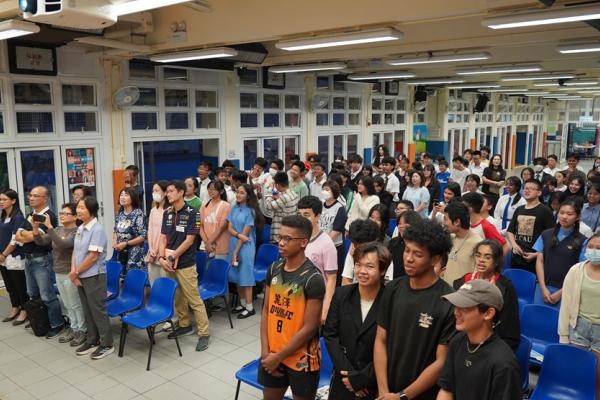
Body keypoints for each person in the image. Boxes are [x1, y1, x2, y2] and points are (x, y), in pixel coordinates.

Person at [374, 219, 455, 400]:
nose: (408, 258)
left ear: (435, 259)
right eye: (407, 250)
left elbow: (441, 361)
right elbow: (380, 340)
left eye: (417, 254)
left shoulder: (448, 300)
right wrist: (384, 392)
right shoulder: (393, 288)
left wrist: (402, 396)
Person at [259, 215, 325, 400]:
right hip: (272, 354)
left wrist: (279, 356)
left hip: (302, 360)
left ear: (304, 242)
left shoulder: (313, 279)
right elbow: (266, 310)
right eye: (280, 237)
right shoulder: (274, 268)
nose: (281, 243)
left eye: (288, 238)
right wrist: (265, 351)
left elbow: (310, 327)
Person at [324, 242, 390, 400]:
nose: (362, 271)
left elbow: (392, 345)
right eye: (358, 265)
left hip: (373, 382)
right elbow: (330, 335)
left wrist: (363, 378)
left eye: (369, 266)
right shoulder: (341, 294)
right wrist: (350, 377)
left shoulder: (391, 301)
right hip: (343, 378)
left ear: (382, 270)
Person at [438, 279, 522, 400]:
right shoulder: (457, 342)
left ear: (488, 313)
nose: (456, 312)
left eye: (465, 307)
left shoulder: (504, 363)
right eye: (456, 306)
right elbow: (446, 388)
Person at [159, 180, 210, 352]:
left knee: (193, 299)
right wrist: (162, 257)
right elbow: (162, 237)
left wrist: (172, 256)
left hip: (186, 263)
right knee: (178, 296)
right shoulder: (167, 213)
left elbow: (189, 241)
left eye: (171, 191)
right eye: (167, 191)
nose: (168, 194)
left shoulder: (193, 213)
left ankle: (204, 333)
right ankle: (184, 324)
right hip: (169, 263)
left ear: (181, 192)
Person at [33, 203, 87, 346]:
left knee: (75, 304)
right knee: (67, 303)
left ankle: (82, 330)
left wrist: (49, 227)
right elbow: (40, 241)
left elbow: (64, 245)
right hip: (58, 271)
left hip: (71, 272)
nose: (62, 215)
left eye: (65, 213)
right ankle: (74, 327)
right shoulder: (58, 229)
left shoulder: (77, 231)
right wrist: (35, 228)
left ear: (75, 217)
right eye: (61, 213)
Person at [452, 240, 521, 351]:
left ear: (496, 261)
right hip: (461, 341)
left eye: (487, 257)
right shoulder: (463, 282)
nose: (481, 260)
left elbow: (510, 329)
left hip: (489, 345)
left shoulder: (505, 288)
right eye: (478, 255)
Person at [15, 186, 64, 338]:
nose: (31, 198)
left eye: (36, 196)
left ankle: (57, 324)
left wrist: (26, 234)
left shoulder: (49, 216)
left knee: (47, 295)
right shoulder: (31, 214)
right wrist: (27, 234)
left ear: (45, 198)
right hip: (29, 258)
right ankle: (40, 320)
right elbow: (17, 236)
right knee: (33, 294)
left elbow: (34, 238)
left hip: (42, 259)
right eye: (30, 195)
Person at [558, 232, 600, 398]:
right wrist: (564, 336)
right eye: (590, 247)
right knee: (575, 376)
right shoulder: (576, 270)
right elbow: (566, 306)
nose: (594, 251)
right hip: (578, 328)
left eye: (599, 248)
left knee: (597, 381)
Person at [72, 197, 113, 359]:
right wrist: (74, 270)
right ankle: (92, 339)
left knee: (98, 310)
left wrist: (76, 272)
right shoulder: (81, 228)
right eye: (78, 207)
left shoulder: (97, 229)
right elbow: (75, 252)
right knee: (87, 310)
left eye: (82, 208)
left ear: (92, 210)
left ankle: (106, 344)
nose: (78, 210)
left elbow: (93, 256)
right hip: (81, 275)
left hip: (94, 276)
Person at [534, 200, 586, 306]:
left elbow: (581, 271)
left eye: (569, 214)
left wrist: (561, 293)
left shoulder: (583, 241)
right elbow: (539, 261)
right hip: (542, 287)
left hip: (567, 291)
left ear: (577, 217)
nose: (564, 216)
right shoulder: (546, 234)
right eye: (561, 213)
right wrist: (542, 287)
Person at [298, 196, 338, 325]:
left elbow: (331, 278)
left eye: (306, 215)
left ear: (317, 216)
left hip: (315, 300)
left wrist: (325, 308)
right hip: (296, 297)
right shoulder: (296, 238)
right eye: (300, 215)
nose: (302, 219)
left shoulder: (326, 244)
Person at [227, 183, 263, 319]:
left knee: (246, 276)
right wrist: (237, 235)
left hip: (245, 247)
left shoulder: (251, 211)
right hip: (234, 243)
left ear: (248, 196)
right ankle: (242, 304)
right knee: (236, 276)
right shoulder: (234, 208)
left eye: (242, 193)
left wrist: (236, 252)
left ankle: (249, 307)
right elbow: (229, 228)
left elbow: (245, 234)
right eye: (237, 192)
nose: (238, 194)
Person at [507, 179, 556, 273]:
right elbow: (510, 231)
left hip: (535, 258)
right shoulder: (519, 209)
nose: (527, 191)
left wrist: (537, 254)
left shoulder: (545, 210)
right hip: (517, 256)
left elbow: (551, 236)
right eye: (525, 188)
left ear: (539, 193)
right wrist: (514, 245)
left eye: (531, 189)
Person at [0, 189, 27, 325]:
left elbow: (15, 239)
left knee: (20, 285)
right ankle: (15, 307)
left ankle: (24, 309)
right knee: (9, 285)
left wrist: (4, 254)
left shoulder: (18, 217)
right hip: (2, 258)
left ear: (13, 201)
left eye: (4, 199)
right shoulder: (3, 217)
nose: (1, 202)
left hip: (14, 257)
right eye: (0, 199)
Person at [441, 201, 481, 285]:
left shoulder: (478, 244)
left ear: (457, 222)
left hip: (463, 291)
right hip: (445, 289)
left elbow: (478, 276)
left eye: (445, 219)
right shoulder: (450, 238)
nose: (443, 223)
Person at [113, 187, 147, 274]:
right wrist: (115, 242)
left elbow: (142, 236)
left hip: (135, 254)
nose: (122, 197)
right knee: (121, 278)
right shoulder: (120, 214)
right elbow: (115, 231)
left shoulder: (138, 214)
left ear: (133, 198)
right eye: (121, 195)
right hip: (121, 253)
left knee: (133, 279)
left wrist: (126, 243)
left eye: (126, 195)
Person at [341, 219, 382, 285]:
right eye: (355, 244)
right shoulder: (352, 252)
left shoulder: (383, 257)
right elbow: (345, 282)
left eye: (362, 246)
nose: (357, 248)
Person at [199, 180, 231, 262]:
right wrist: (207, 242)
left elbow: (221, 227)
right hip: (205, 246)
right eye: (209, 189)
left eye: (214, 189)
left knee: (218, 269)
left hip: (221, 247)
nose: (211, 191)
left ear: (221, 191)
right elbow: (199, 225)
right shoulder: (204, 205)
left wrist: (209, 242)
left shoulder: (226, 206)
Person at [264, 172, 299, 243]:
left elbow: (267, 206)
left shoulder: (284, 198)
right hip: (290, 230)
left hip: (280, 234)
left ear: (277, 185)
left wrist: (270, 190)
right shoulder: (294, 194)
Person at [146, 180, 170, 284]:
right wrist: (151, 249)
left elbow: (166, 234)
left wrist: (157, 251)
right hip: (152, 253)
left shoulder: (170, 211)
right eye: (153, 191)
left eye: (157, 190)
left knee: (164, 283)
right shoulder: (153, 210)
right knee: (153, 283)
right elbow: (150, 232)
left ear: (165, 193)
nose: (154, 193)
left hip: (163, 252)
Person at [388, 210, 423, 280]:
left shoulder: (422, 244)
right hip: (396, 281)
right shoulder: (393, 242)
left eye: (406, 223)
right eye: (399, 223)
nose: (401, 226)